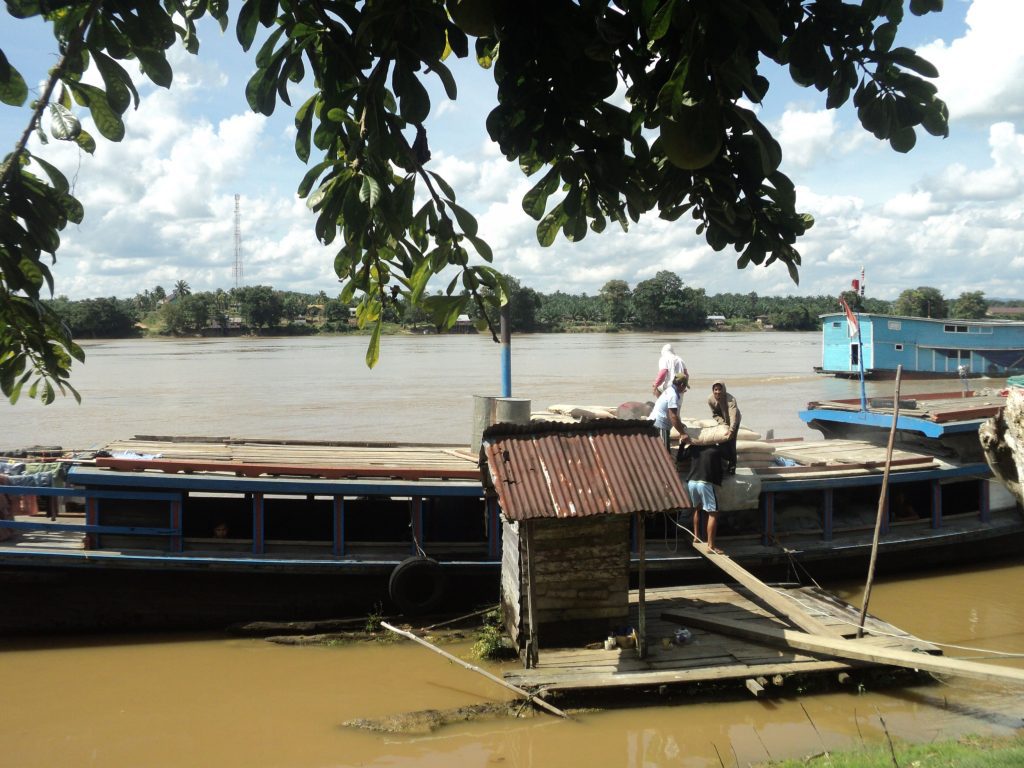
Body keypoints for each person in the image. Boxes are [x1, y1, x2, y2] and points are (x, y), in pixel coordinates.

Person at [686, 443, 724, 553]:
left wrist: (683, 443)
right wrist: (719, 481)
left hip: (691, 482)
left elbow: (680, 457)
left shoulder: (693, 446)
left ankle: (696, 537)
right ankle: (711, 546)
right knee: (713, 513)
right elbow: (719, 468)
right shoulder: (714, 449)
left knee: (697, 508)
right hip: (704, 483)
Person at [707, 380, 741, 474]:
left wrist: (731, 430)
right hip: (723, 422)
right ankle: (724, 463)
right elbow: (715, 414)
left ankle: (732, 466)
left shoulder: (730, 399)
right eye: (715, 389)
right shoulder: (710, 399)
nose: (717, 392)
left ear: (724, 390)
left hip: (734, 421)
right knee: (722, 443)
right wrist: (723, 424)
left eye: (720, 389)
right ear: (713, 390)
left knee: (731, 443)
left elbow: (733, 416)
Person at [649, 372, 689, 451]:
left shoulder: (669, 389)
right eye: (685, 387)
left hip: (654, 422)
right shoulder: (673, 395)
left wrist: (680, 424)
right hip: (660, 426)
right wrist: (683, 433)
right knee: (664, 452)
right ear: (681, 385)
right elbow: (673, 416)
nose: (685, 389)